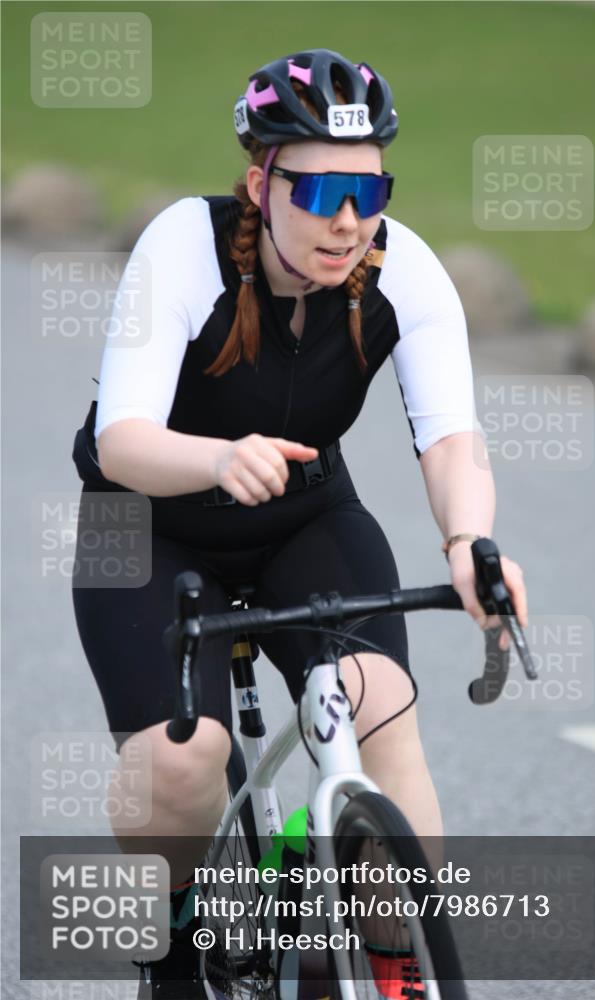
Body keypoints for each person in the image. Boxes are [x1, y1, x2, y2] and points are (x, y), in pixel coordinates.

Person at [71, 48, 528, 1000]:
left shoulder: (405, 270)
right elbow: (120, 439)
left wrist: (469, 546)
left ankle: (400, 961)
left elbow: (451, 441)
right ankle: (174, 933)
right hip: (149, 524)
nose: (348, 220)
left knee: (376, 703)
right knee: (181, 760)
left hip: (301, 514)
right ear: (260, 182)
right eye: (319, 191)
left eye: (368, 191)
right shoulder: (182, 248)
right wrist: (214, 457)